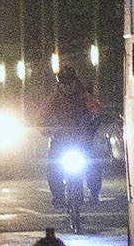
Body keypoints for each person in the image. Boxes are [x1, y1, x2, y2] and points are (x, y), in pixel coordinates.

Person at [39, 70, 103, 207]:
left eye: (69, 83)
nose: (67, 86)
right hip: (61, 140)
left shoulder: (85, 97)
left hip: (82, 140)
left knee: (92, 165)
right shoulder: (54, 99)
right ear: (59, 84)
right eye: (63, 83)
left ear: (75, 82)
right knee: (53, 167)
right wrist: (45, 128)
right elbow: (41, 117)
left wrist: (91, 128)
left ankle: (94, 193)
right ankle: (58, 196)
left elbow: (97, 112)